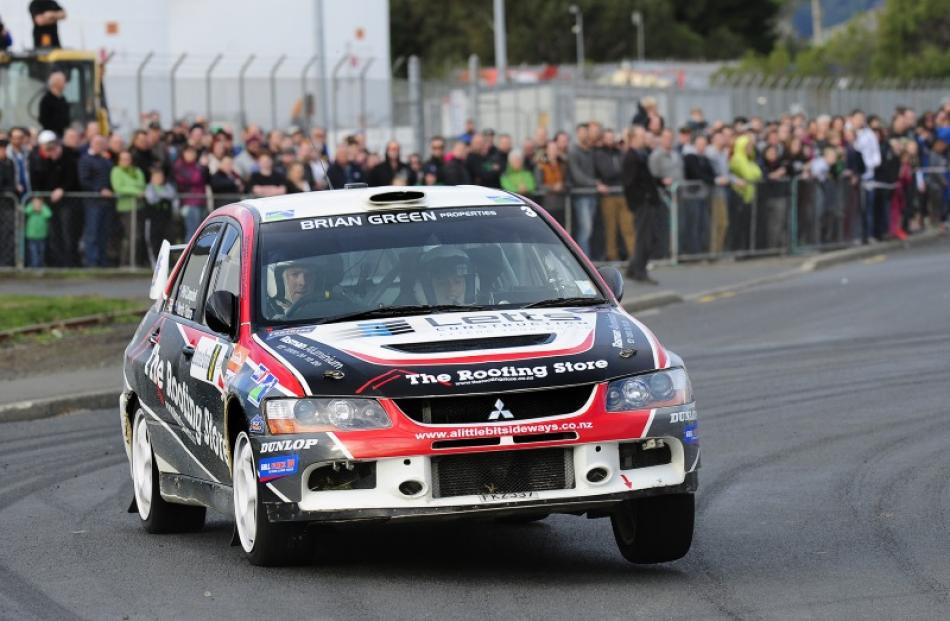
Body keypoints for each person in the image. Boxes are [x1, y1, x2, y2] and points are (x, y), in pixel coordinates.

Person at [622, 126, 661, 284]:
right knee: (644, 237)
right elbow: (629, 183)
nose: (644, 138)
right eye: (641, 136)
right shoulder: (631, 157)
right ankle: (639, 270)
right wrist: (642, 197)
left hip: (647, 201)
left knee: (649, 236)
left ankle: (634, 268)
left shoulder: (641, 154)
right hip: (641, 203)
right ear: (633, 138)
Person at [594, 128, 634, 261]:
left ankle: (633, 255)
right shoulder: (599, 154)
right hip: (608, 195)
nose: (611, 140)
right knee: (610, 228)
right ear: (603, 139)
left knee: (628, 226)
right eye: (608, 138)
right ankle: (612, 255)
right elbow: (607, 171)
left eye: (612, 137)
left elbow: (627, 168)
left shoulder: (620, 153)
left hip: (623, 194)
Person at [78, 135, 113, 267]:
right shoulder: (85, 160)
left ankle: (102, 262)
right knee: (92, 233)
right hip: (93, 202)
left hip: (106, 202)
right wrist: (100, 190)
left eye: (102, 143)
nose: (100, 146)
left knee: (103, 233)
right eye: (97, 143)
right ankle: (91, 262)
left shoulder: (106, 160)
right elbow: (84, 180)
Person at [567, 122, 600, 256]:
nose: (584, 135)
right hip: (581, 195)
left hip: (591, 195)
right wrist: (595, 183)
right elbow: (577, 176)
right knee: (585, 229)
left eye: (586, 132)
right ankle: (584, 259)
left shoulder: (591, 151)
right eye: (581, 132)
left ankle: (588, 257)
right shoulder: (573, 151)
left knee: (589, 229)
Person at [111, 150, 146, 266]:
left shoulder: (137, 171)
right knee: (131, 236)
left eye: (128, 159)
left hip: (138, 207)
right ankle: (126, 263)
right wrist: (136, 191)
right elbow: (118, 187)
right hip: (126, 208)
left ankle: (136, 261)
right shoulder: (116, 171)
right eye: (123, 159)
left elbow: (142, 185)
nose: (126, 161)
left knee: (138, 236)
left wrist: (131, 188)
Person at [728, 133, 763, 252]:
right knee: (739, 225)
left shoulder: (750, 160)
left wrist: (753, 174)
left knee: (749, 224)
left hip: (749, 196)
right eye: (747, 146)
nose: (750, 148)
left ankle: (749, 248)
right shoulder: (737, 159)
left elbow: (758, 174)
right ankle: (738, 249)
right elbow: (750, 175)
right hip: (739, 196)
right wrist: (752, 175)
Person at [172, 145, 207, 240]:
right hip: (189, 203)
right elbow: (194, 179)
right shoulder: (179, 166)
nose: (191, 155)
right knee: (192, 232)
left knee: (200, 233)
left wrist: (204, 168)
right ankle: (188, 254)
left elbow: (206, 179)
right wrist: (202, 167)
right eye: (188, 152)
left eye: (193, 152)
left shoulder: (197, 165)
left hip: (201, 201)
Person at [143, 167, 177, 264]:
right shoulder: (149, 187)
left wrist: (160, 195)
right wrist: (163, 197)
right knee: (153, 241)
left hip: (166, 220)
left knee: (167, 241)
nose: (159, 179)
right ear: (152, 178)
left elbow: (172, 195)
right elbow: (151, 199)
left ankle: (167, 263)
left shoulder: (168, 187)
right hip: (153, 220)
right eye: (156, 177)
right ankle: (155, 263)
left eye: (160, 177)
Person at [39, 71, 69, 137]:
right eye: (63, 81)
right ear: (56, 83)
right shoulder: (46, 100)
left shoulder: (63, 99)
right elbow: (43, 119)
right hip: (51, 135)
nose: (65, 84)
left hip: (62, 134)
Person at [24, 197, 52, 267]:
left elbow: (48, 214)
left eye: (38, 202)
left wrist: (42, 208)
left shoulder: (43, 209)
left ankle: (40, 265)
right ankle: (34, 266)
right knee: (33, 252)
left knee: (41, 252)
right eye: (35, 202)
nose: (37, 204)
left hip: (42, 236)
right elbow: (26, 211)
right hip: (31, 236)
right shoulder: (31, 209)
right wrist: (32, 207)